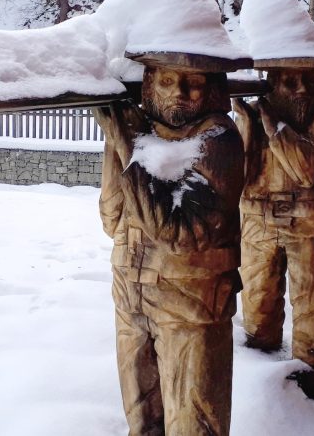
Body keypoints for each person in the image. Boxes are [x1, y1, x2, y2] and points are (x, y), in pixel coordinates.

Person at [96, 53, 244, 435]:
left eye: (192, 82)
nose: (178, 93)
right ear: (149, 84)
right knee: (141, 418)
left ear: (210, 87)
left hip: (189, 300)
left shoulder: (217, 139)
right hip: (130, 289)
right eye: (166, 81)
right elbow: (111, 218)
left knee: (192, 420)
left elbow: (178, 232)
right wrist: (116, 146)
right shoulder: (138, 131)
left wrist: (125, 144)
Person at [232, 66, 314, 399]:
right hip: (257, 219)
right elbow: (238, 174)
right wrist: (246, 125)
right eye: (289, 79)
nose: (299, 88)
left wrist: (272, 126)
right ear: (270, 80)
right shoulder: (251, 115)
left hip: (306, 222)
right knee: (256, 299)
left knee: (313, 300)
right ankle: (259, 367)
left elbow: (306, 170)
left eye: (309, 79)